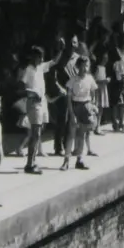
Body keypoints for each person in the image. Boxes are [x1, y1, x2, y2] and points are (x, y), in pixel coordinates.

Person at [20, 46, 59, 174]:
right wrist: (33, 93)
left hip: (42, 103)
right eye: (39, 57)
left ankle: (33, 160)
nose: (41, 59)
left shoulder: (41, 67)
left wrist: (61, 49)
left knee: (38, 132)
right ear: (33, 57)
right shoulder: (29, 70)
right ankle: (29, 164)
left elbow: (54, 61)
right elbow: (23, 88)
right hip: (33, 103)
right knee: (35, 133)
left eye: (42, 57)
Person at [62, 56, 96, 171]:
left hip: (85, 105)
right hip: (75, 106)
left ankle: (79, 159)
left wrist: (92, 106)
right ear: (77, 67)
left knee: (81, 134)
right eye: (82, 66)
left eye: (86, 66)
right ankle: (66, 160)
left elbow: (93, 93)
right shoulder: (73, 80)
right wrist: (71, 113)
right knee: (71, 134)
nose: (84, 69)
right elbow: (69, 98)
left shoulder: (90, 78)